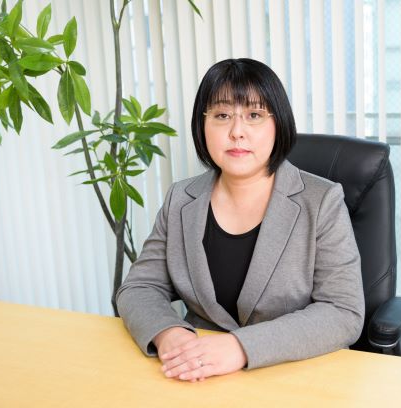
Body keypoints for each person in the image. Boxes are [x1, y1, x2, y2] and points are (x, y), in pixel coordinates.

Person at [116, 58, 365, 382]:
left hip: (296, 377)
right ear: (202, 126)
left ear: (279, 124)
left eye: (254, 115)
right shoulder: (181, 200)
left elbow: (343, 312)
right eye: (222, 116)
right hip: (198, 376)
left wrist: (241, 347)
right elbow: (140, 287)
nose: (236, 132)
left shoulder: (321, 201)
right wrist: (169, 333)